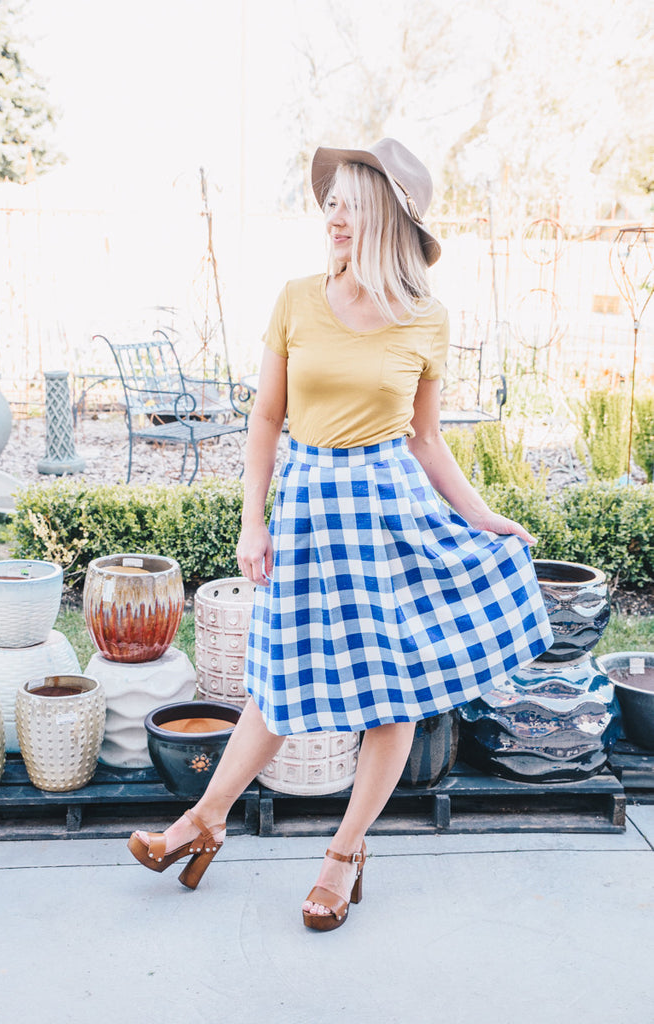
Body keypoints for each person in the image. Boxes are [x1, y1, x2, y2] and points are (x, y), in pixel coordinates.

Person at [128, 138, 553, 932]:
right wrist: (252, 520)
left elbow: (427, 441)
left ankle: (343, 854)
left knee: (392, 696)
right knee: (279, 680)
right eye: (331, 200)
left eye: (350, 200)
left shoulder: (426, 318)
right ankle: (206, 821)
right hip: (309, 507)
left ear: (387, 216)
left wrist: (482, 516)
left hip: (390, 513)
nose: (333, 214)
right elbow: (265, 417)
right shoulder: (297, 298)